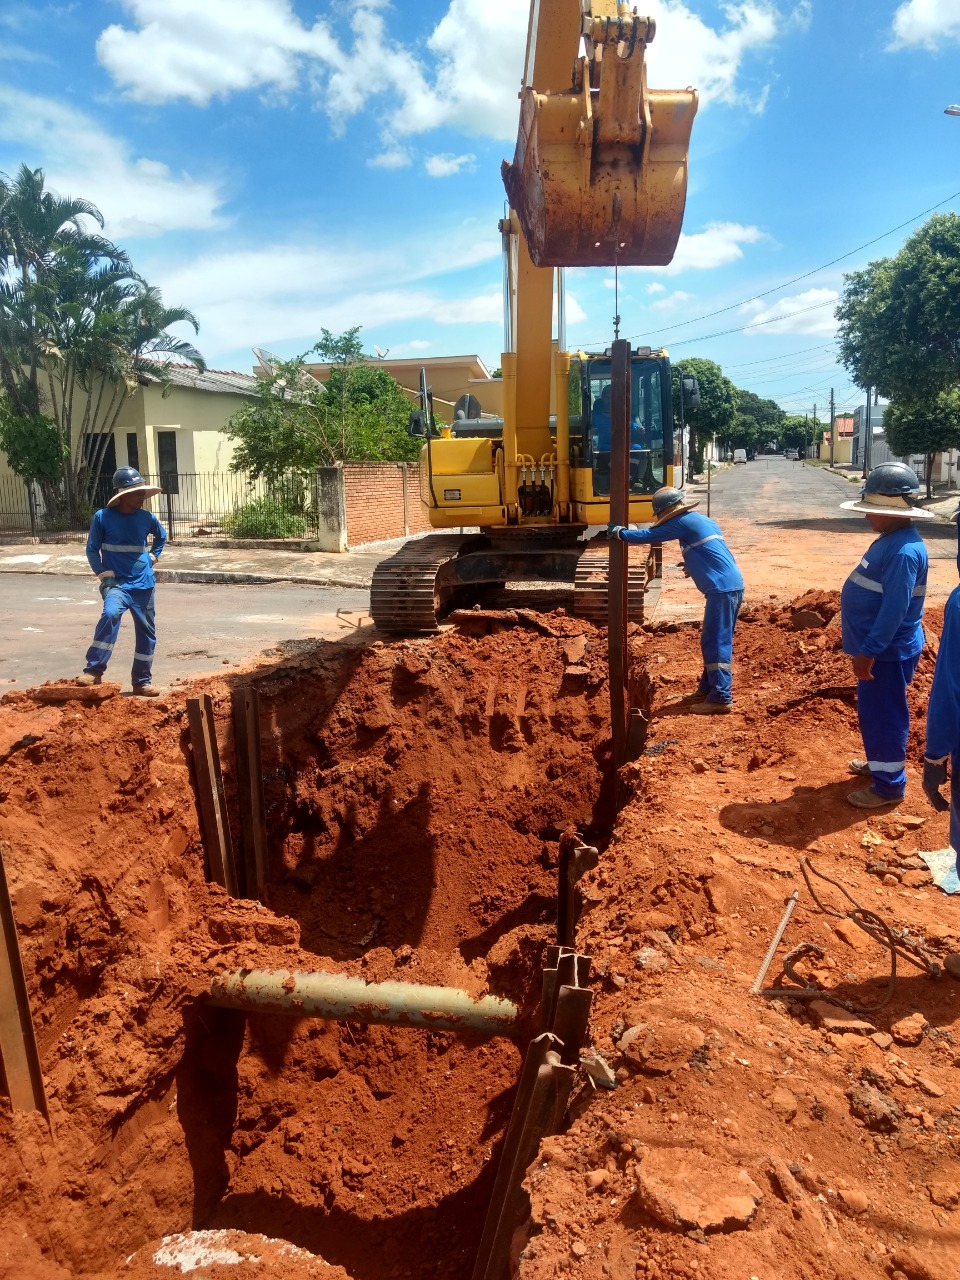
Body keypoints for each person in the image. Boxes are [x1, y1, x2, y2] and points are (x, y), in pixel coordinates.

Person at [839, 462, 934, 809]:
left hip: (886, 653)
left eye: (871, 511)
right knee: (876, 712)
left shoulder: (903, 551)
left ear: (891, 513)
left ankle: (889, 786)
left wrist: (870, 651)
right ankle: (881, 764)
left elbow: (894, 609)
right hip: (882, 651)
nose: (867, 518)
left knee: (883, 715)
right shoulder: (892, 540)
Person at [608, 486, 744, 714]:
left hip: (721, 590)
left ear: (667, 511)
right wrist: (692, 563)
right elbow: (714, 552)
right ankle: (708, 688)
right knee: (714, 639)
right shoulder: (702, 521)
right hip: (730, 585)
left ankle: (721, 697)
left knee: (715, 641)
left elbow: (650, 536)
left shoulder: (681, 522)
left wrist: (621, 533)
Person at [77, 467, 166, 696]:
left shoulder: (146, 518)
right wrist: (102, 573)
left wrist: (153, 556)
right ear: (123, 494)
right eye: (137, 493)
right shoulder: (102, 517)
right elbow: (91, 549)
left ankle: (142, 682)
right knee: (110, 615)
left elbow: (162, 536)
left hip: (143, 585)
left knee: (147, 632)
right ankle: (94, 671)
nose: (142, 497)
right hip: (117, 584)